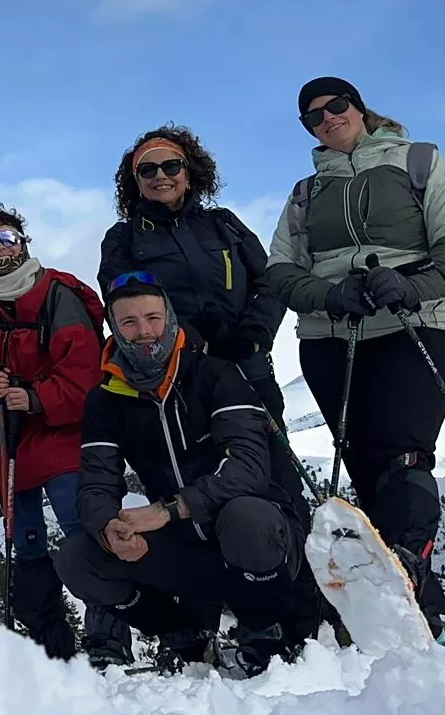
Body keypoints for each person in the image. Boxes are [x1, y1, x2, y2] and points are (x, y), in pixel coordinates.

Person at [266, 77, 445, 635]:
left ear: (359, 107)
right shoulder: (304, 194)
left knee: (400, 452)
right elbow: (282, 272)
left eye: (336, 105)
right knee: (364, 466)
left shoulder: (420, 160)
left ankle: (406, 574)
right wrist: (330, 295)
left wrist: (417, 286)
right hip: (332, 331)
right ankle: (405, 609)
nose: (327, 118)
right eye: (313, 117)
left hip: (419, 318)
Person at [55, 276, 319, 676]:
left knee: (245, 517)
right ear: (113, 327)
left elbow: (248, 468)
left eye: (152, 318)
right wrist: (108, 527)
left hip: (256, 540)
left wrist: (166, 511)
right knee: (78, 559)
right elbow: (96, 483)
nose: (143, 331)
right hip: (187, 551)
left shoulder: (215, 374)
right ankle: (183, 636)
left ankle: (266, 628)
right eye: (128, 322)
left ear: (170, 318)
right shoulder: (106, 399)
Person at [0, 205, 126, 664]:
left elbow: (84, 369)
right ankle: (51, 649)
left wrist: (36, 397)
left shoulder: (57, 295)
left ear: (22, 241)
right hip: (8, 443)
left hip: (62, 437)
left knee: (84, 532)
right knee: (26, 544)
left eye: (5, 238)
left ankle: (108, 642)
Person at [97, 126, 287, 416]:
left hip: (246, 361)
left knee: (271, 455)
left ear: (188, 173)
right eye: (148, 170)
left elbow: (272, 280)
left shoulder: (224, 223)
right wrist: (187, 341)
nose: (160, 176)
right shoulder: (123, 238)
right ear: (137, 182)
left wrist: (255, 333)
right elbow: (121, 304)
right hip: (177, 372)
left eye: (171, 166)